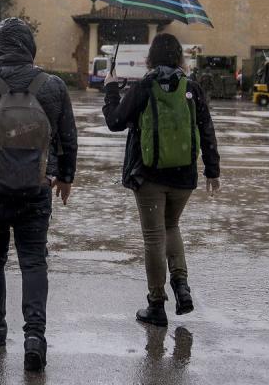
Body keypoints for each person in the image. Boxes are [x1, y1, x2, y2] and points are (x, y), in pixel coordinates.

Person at [0, 18, 78, 372]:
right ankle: (35, 336)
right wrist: (65, 177)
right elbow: (68, 136)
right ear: (30, 48)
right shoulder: (52, 86)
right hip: (37, 191)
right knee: (34, 261)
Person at [102, 33, 221, 327]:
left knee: (154, 237)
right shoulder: (191, 87)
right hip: (184, 176)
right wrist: (212, 170)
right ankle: (181, 286)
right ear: (180, 57)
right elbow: (206, 128)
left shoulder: (145, 86)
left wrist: (110, 91)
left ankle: (156, 304)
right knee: (171, 226)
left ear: (151, 58)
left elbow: (115, 122)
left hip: (149, 174)